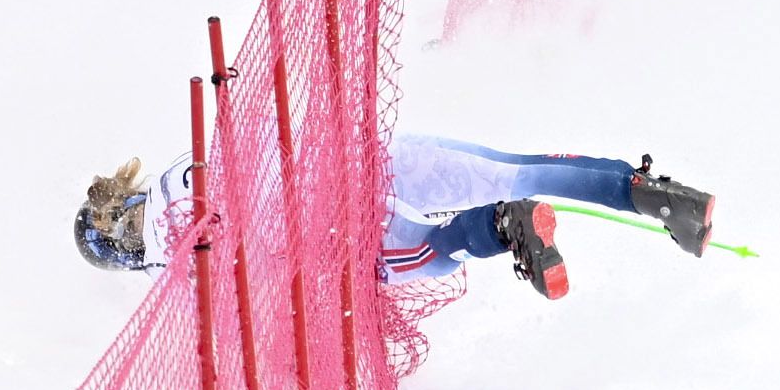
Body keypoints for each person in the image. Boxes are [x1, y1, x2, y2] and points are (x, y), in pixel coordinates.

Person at [74, 134, 715, 299]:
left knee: (430, 252)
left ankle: (500, 227)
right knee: (509, 162)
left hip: (337, 237)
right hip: (356, 156)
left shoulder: (175, 271)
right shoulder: (182, 165)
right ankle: (651, 194)